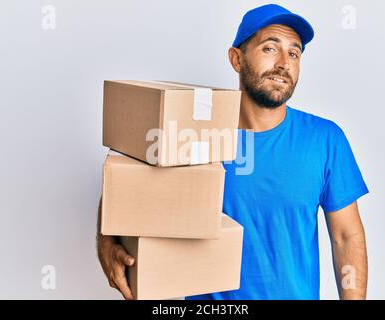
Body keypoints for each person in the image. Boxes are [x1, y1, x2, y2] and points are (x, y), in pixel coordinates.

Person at [97, 4, 369, 300]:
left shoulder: (325, 139)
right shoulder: (194, 134)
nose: (283, 63)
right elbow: (125, 189)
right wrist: (107, 243)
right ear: (236, 59)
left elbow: (346, 236)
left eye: (294, 53)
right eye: (269, 48)